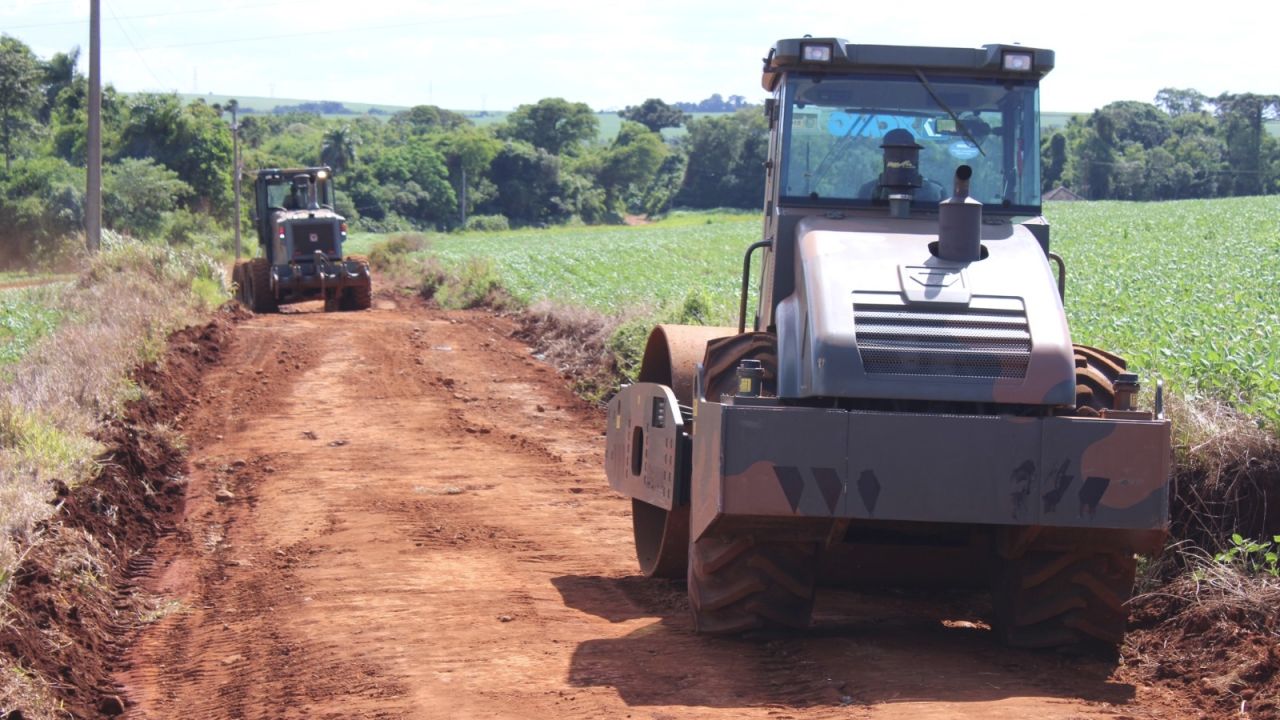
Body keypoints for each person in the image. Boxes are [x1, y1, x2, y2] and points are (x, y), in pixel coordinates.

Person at [859, 128, 944, 202]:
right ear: (885, 157)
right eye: (894, 154)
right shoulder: (868, 191)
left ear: (915, 157)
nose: (900, 159)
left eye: (906, 154)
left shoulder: (935, 192)